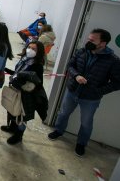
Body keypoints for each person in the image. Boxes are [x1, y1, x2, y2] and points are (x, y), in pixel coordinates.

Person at [48, 28, 120, 156]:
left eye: (92, 40)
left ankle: (81, 143)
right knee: (64, 113)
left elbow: (117, 82)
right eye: (88, 38)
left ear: (103, 43)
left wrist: (98, 91)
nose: (88, 41)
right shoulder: (82, 51)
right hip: (72, 91)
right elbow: (71, 66)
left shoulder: (113, 60)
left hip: (91, 98)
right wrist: (76, 76)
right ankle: (59, 131)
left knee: (86, 122)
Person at [2, 41, 48, 145]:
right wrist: (7, 71)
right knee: (12, 108)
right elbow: (18, 73)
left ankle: (19, 135)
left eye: (34, 49)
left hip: (26, 94)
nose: (30, 50)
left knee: (22, 115)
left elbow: (38, 82)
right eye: (29, 47)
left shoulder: (37, 65)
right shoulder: (24, 59)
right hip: (15, 89)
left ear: (39, 52)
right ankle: (12, 127)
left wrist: (23, 81)